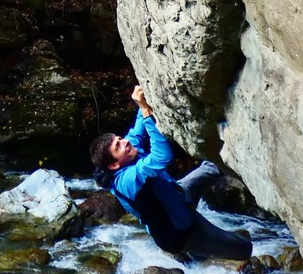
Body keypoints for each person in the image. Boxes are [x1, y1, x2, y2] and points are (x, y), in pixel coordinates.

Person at [89, 85, 253, 261]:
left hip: (177, 193)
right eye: (118, 146)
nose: (125, 142)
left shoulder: (127, 151)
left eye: (119, 139)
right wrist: (146, 112)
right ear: (114, 165)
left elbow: (139, 125)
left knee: (214, 165)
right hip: (183, 232)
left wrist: (142, 98)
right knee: (244, 249)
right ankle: (196, 252)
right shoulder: (126, 181)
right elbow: (162, 157)